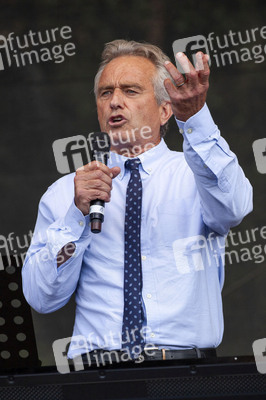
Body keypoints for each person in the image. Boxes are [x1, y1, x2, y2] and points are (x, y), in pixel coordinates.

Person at [22, 39, 253, 365]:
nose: (115, 101)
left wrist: (196, 119)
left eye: (130, 91)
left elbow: (236, 206)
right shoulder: (66, 193)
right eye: (106, 93)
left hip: (184, 371)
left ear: (164, 110)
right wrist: (76, 216)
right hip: (94, 376)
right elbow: (41, 296)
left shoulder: (196, 175)